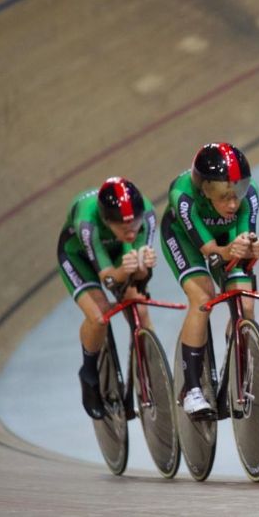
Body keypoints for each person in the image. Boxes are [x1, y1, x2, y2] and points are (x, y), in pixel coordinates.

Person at [160, 142, 259, 416]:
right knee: (202, 297)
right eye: (223, 196)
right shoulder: (183, 196)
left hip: (225, 238)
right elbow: (211, 253)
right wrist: (230, 250)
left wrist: (252, 248)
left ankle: (236, 367)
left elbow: (244, 240)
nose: (232, 203)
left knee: (247, 304)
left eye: (237, 193)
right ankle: (191, 389)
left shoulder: (250, 195)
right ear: (204, 191)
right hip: (187, 239)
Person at [57, 177, 158, 419]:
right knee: (100, 315)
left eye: (134, 222)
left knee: (140, 310)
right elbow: (109, 279)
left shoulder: (147, 216)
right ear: (106, 221)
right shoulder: (87, 224)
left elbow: (141, 278)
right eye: (123, 227)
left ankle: (152, 374)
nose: (132, 229)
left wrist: (142, 267)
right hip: (78, 256)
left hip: (116, 252)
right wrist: (124, 270)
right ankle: (89, 374)